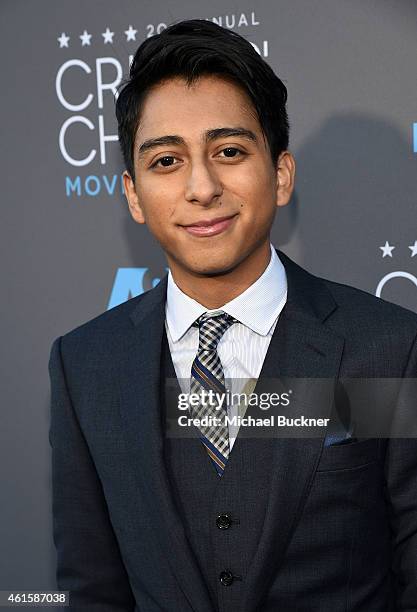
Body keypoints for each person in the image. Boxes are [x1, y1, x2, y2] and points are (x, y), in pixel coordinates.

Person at [48, 19, 417, 612]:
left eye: (228, 151)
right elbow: (91, 589)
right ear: (134, 195)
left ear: (280, 174)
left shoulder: (390, 348)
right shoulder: (84, 365)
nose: (201, 186)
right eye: (166, 161)